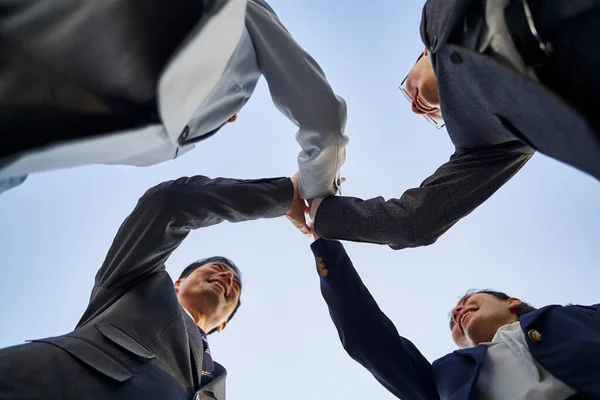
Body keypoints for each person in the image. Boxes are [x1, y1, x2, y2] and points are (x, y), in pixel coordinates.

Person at [306, 0, 600, 249]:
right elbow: (413, 222)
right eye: (436, 120)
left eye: (406, 88)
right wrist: (321, 212)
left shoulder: (434, 20)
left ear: (423, 54)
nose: (415, 108)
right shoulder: (490, 147)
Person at [0, 0, 349, 207]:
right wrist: (316, 195)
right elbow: (322, 119)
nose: (231, 114)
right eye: (236, 97)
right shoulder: (237, 15)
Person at [0, 173, 297, 399]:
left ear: (224, 326)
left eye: (234, 284)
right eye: (218, 269)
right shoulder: (137, 278)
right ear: (178, 282)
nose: (227, 279)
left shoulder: (217, 384)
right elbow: (170, 203)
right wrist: (284, 196)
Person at [309, 236, 599, 399]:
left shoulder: (575, 317)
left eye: (467, 302)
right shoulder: (444, 378)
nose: (458, 312)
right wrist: (325, 244)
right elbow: (368, 338)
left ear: (512, 302)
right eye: (452, 321)